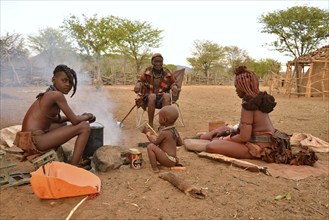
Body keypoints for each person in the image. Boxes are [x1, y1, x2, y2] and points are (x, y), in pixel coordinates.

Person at [185, 66, 317, 166]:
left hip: (261, 148)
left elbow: (244, 137)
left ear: (243, 86)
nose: (236, 90)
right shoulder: (258, 99)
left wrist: (227, 139)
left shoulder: (249, 105)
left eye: (237, 86)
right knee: (220, 136)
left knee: (212, 146)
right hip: (270, 142)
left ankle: (251, 154)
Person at [14, 64, 96, 166]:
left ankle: (50, 155)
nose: (68, 85)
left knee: (63, 124)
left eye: (70, 82)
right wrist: (88, 116)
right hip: (34, 141)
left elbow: (58, 119)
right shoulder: (57, 95)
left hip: (26, 140)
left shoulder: (50, 93)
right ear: (54, 79)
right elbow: (75, 120)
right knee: (84, 126)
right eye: (64, 80)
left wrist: (78, 117)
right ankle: (74, 167)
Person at [134, 53, 179, 128]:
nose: (158, 63)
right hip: (149, 98)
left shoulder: (166, 72)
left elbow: (174, 83)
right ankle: (150, 124)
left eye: (160, 61)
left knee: (167, 96)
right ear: (152, 62)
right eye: (156, 61)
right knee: (152, 96)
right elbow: (140, 81)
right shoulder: (147, 71)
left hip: (162, 99)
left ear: (162, 62)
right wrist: (138, 85)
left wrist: (174, 86)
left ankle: (163, 125)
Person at [141, 105, 183, 173]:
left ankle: (154, 167)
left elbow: (154, 143)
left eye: (159, 117)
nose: (158, 119)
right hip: (174, 160)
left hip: (168, 160)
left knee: (150, 147)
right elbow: (180, 143)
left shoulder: (164, 132)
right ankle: (160, 164)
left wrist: (147, 134)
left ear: (164, 119)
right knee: (155, 147)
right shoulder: (174, 130)